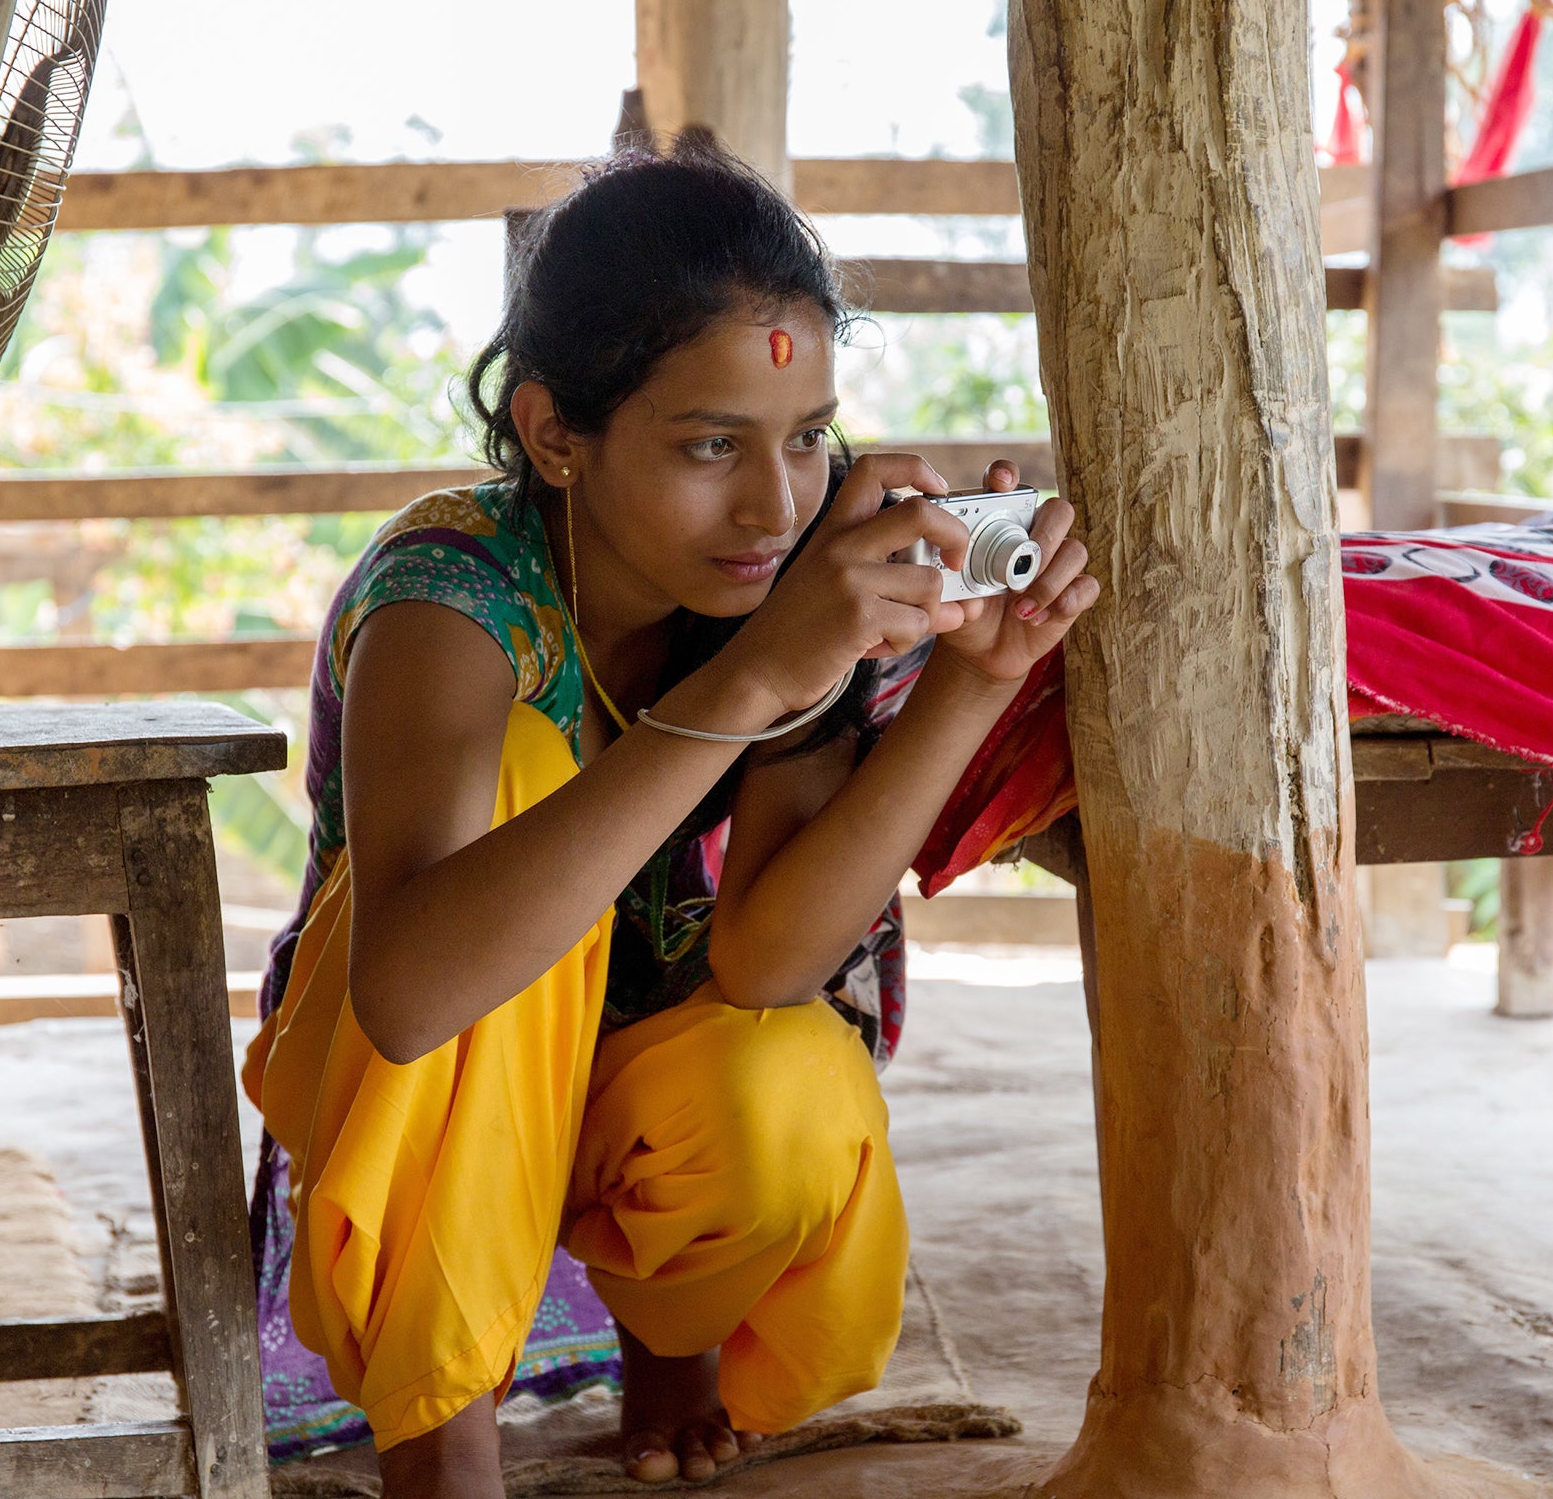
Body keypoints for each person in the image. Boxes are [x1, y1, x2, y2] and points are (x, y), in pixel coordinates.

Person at [239, 138, 1099, 1499]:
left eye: (807, 438)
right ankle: (440, 1432)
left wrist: (967, 685)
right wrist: (761, 673)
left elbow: (769, 963)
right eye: (711, 445)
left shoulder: (785, 582)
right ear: (554, 435)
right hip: (424, 1088)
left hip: (627, 1089)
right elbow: (406, 1000)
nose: (772, 505)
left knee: (793, 1098)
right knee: (523, 770)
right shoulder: (453, 597)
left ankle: (669, 1338)